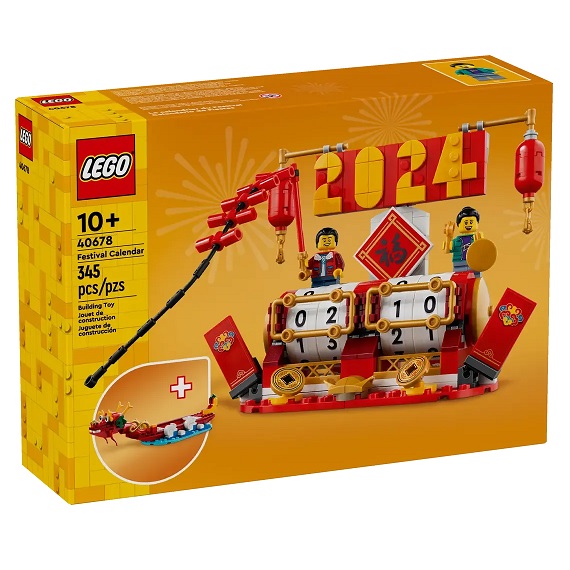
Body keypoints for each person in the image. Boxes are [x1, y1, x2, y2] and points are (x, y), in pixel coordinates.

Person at [443, 206, 483, 274]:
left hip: (474, 263)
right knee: (458, 278)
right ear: (458, 224)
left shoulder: (477, 237)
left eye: (471, 222)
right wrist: (449, 237)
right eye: (466, 222)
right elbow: (447, 250)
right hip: (459, 264)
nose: (468, 225)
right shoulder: (457, 240)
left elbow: (483, 251)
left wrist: (480, 243)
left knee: (475, 278)